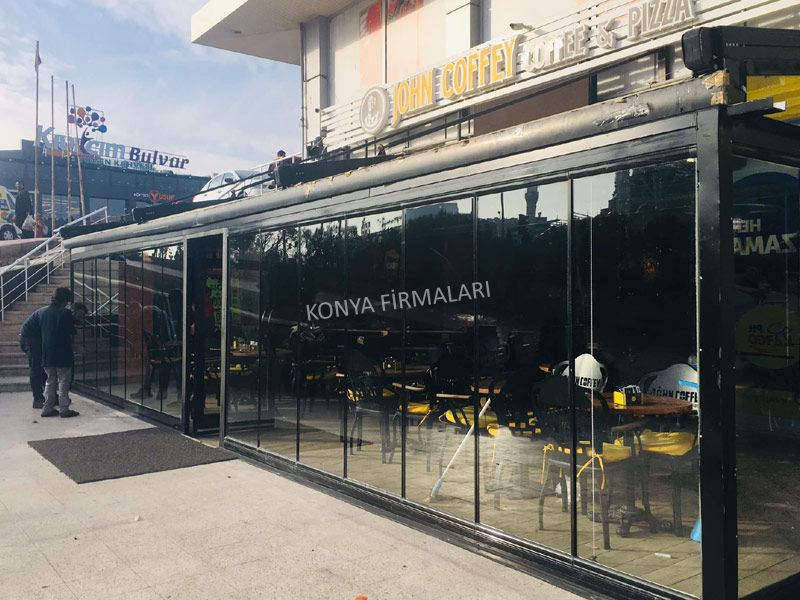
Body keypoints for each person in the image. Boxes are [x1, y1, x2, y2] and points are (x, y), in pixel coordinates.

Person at [39, 287, 79, 418]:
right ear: (65, 300)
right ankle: (64, 409)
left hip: (47, 352)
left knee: (50, 381)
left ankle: (47, 408)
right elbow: (71, 331)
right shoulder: (65, 313)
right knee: (63, 381)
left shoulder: (44, 312)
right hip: (62, 352)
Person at [19, 306, 46, 409]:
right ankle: (38, 399)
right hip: (30, 339)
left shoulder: (52, 312)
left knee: (44, 368)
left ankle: (49, 396)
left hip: (35, 338)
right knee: (36, 368)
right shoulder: (54, 313)